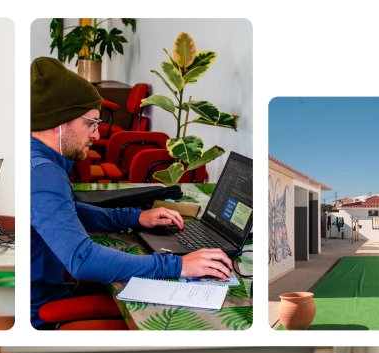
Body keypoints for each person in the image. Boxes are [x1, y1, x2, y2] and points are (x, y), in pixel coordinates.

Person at [28, 57, 233, 333]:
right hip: (39, 317)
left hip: (49, 293)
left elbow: (70, 211)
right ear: (60, 123)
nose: (98, 134)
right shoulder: (42, 173)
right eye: (91, 123)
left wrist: (135, 217)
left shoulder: (42, 159)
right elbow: (82, 259)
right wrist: (177, 265)